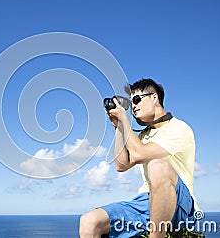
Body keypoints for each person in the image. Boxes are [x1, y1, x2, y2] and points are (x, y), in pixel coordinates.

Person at [79, 78, 199, 238]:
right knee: (89, 221)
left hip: (179, 202)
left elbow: (139, 154)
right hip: (146, 201)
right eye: (131, 102)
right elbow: (121, 165)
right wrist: (119, 128)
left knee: (157, 166)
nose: (133, 106)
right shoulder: (143, 136)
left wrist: (124, 120)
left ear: (154, 97)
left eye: (137, 99)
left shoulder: (179, 128)